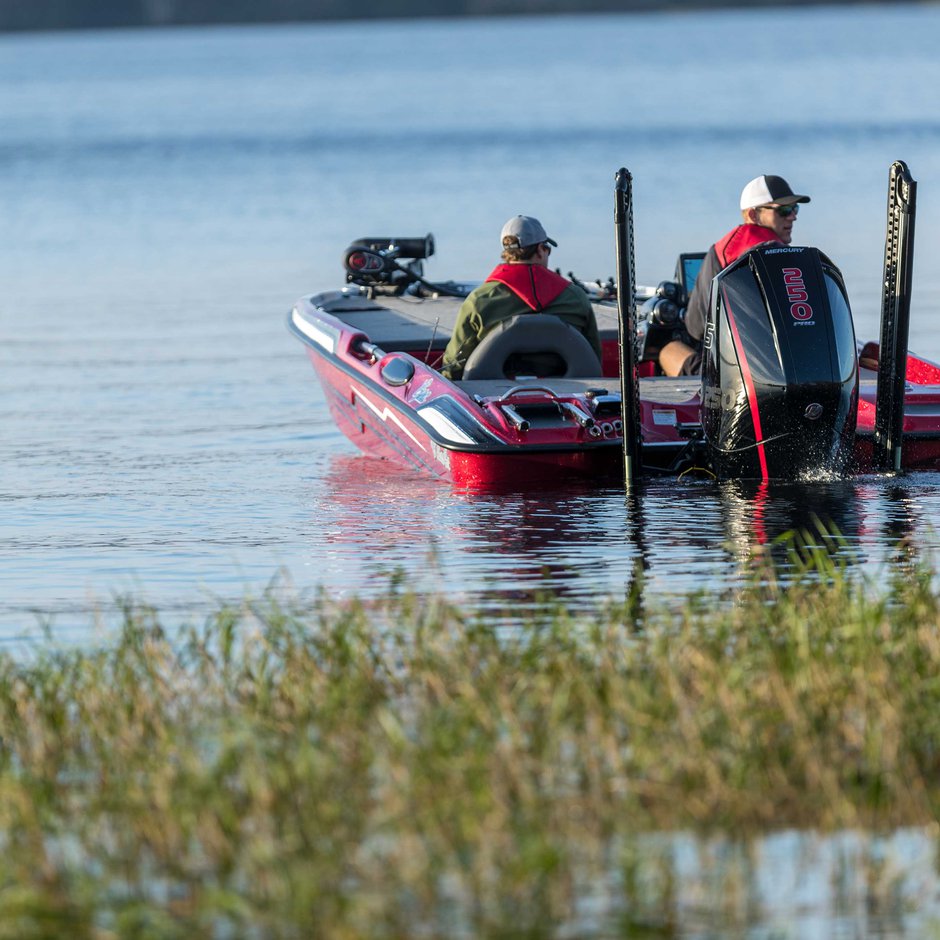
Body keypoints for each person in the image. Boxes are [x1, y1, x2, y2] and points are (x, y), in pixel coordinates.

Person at [659, 174, 811, 376]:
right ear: (753, 215)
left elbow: (697, 328)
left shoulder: (722, 252)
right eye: (783, 210)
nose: (793, 216)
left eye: (794, 209)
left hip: (739, 375)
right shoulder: (793, 260)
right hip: (795, 366)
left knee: (669, 350)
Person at [440, 215, 602, 380]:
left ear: (507, 253)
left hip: (493, 397)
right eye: (547, 248)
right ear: (540, 249)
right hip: (567, 398)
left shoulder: (479, 300)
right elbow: (594, 358)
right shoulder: (576, 298)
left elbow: (455, 365)